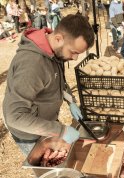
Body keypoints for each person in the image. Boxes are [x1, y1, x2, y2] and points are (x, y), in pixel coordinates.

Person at [2, 14, 95, 156]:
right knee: (49, 171)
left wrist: (70, 100)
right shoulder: (32, 65)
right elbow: (15, 116)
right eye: (73, 52)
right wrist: (60, 130)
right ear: (58, 38)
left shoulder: (54, 50)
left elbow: (58, 79)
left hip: (46, 121)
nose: (75, 58)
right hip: (30, 131)